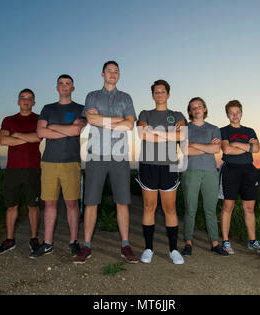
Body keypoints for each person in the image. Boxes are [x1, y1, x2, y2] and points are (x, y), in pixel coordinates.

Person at [74, 61, 139, 264]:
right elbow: (91, 120)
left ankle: (125, 245)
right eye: (109, 71)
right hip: (96, 156)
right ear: (102, 74)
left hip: (119, 156)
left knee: (122, 202)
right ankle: (86, 246)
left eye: (116, 71)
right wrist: (117, 121)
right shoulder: (92, 96)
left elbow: (130, 125)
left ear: (119, 75)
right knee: (91, 201)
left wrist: (105, 120)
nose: (112, 74)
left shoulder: (126, 97)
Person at [31, 75, 86, 259]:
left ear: (73, 88)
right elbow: (40, 132)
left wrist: (53, 127)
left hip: (71, 162)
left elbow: (76, 130)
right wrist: (65, 129)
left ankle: (73, 242)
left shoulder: (80, 109)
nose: (64, 86)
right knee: (49, 203)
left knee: (71, 203)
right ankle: (47, 244)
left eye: (68, 84)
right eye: (61, 84)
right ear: (57, 88)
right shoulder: (48, 108)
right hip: (49, 162)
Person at [136, 79, 187, 264]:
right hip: (148, 164)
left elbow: (182, 135)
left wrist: (156, 134)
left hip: (170, 165)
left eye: (162, 91)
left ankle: (173, 250)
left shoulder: (177, 114)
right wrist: (169, 134)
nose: (159, 95)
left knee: (170, 208)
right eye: (156, 92)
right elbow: (143, 134)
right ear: (152, 95)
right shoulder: (145, 113)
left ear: (168, 94)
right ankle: (148, 248)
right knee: (149, 207)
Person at [0, 88, 42, 255]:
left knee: (33, 205)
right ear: (18, 101)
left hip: (33, 168)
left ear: (34, 102)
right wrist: (26, 137)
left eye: (29, 98)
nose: (26, 101)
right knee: (11, 205)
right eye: (23, 98)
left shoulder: (39, 119)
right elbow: (3, 140)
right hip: (13, 169)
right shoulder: (8, 120)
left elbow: (38, 137)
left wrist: (16, 135)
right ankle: (10, 240)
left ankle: (34, 239)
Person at [180, 97, 229, 257]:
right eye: (193, 108)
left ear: (205, 109)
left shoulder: (214, 129)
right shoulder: (184, 128)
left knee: (210, 209)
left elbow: (216, 149)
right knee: (190, 209)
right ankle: (188, 242)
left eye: (199, 106)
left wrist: (194, 145)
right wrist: (207, 147)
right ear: (190, 111)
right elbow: (185, 150)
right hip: (190, 171)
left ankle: (215, 243)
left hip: (210, 173)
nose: (196, 110)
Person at [219, 100, 260, 255]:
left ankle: (252, 241)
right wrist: (247, 147)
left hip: (248, 170)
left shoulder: (250, 131)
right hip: (230, 170)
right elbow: (227, 150)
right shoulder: (223, 130)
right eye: (231, 112)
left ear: (241, 113)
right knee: (227, 207)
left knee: (249, 208)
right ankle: (225, 241)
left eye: (237, 112)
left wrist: (236, 143)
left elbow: (256, 149)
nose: (235, 115)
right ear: (227, 114)